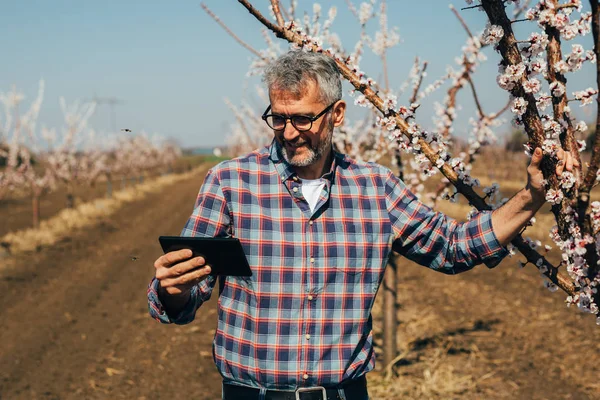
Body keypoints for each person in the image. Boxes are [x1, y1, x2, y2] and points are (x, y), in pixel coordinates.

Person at [148, 50, 577, 400]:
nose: (290, 132)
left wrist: (532, 195)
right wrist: (174, 287)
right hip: (251, 394)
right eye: (279, 117)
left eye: (302, 118)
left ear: (336, 113)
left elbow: (452, 246)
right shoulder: (231, 181)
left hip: (343, 394)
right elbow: (188, 288)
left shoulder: (376, 189)